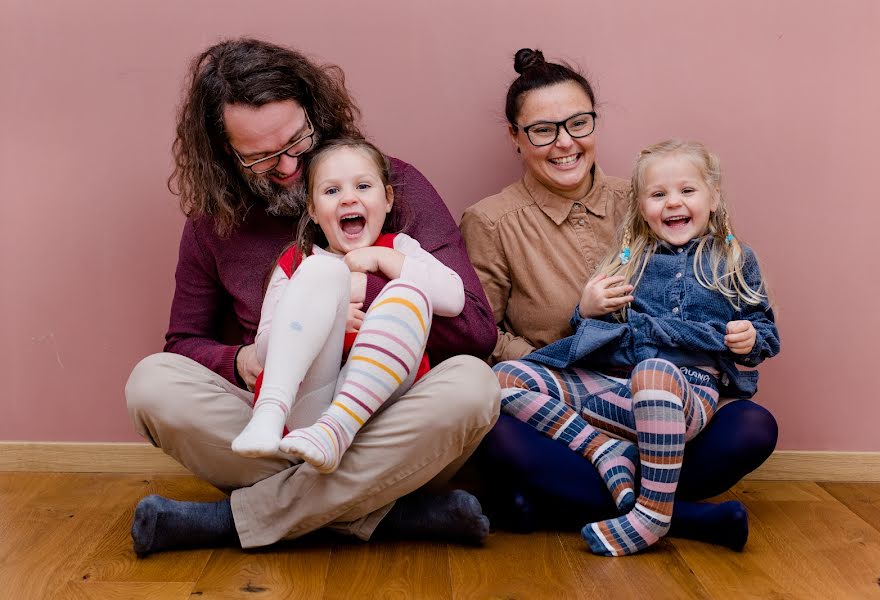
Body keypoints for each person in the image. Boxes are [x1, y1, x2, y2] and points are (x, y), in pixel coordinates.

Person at [125, 38, 499, 556]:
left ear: (318, 115)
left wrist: (378, 293)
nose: (286, 169)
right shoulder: (212, 223)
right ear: (224, 155)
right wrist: (247, 359)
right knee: (151, 384)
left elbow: (479, 330)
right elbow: (183, 341)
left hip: (383, 413)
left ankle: (229, 523)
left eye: (296, 143)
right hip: (280, 416)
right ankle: (381, 510)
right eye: (258, 158)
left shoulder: (389, 185)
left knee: (474, 388)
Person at [460, 49, 779, 550]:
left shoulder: (647, 198)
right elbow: (484, 337)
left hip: (671, 399)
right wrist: (573, 347)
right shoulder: (491, 221)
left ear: (595, 123)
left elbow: (719, 291)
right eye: (543, 130)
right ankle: (681, 516)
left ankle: (561, 504)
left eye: (578, 123)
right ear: (516, 137)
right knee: (490, 419)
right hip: (572, 410)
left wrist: (740, 340)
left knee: (753, 427)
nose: (565, 142)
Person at [232, 137, 466, 475]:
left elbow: (454, 299)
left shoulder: (399, 247)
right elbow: (266, 350)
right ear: (312, 209)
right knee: (321, 270)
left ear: (387, 199)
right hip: (309, 405)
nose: (349, 198)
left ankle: (336, 429)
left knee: (411, 293)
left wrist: (386, 259)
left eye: (363, 186)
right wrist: (326, 322)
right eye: (331, 192)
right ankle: (270, 412)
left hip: (386, 405)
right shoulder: (298, 263)